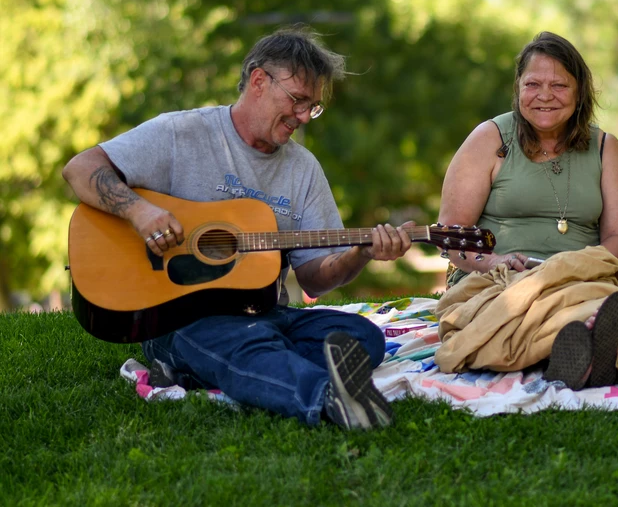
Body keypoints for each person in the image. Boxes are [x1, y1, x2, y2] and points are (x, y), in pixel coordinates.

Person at [62, 27, 412, 430]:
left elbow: (315, 277)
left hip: (267, 314)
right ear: (259, 81)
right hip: (175, 320)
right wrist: (141, 212)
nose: (302, 117)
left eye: (312, 108)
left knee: (360, 335)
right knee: (229, 340)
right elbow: (81, 169)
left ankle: (224, 369)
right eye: (298, 100)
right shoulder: (181, 133)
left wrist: (360, 252)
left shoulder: (303, 169)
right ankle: (328, 399)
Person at [436, 31, 618, 390]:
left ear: (580, 94)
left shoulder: (606, 148)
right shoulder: (489, 139)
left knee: (593, 301)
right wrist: (493, 262)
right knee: (502, 312)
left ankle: (572, 346)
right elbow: (451, 234)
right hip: (495, 278)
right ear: (517, 90)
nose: (545, 95)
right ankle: (581, 350)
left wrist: (573, 270)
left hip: (578, 279)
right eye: (533, 84)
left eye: (559, 85)